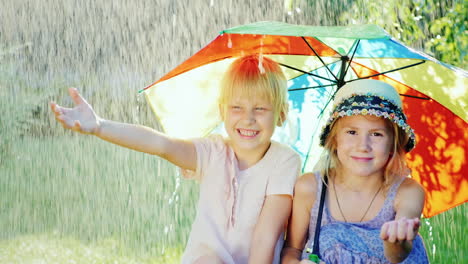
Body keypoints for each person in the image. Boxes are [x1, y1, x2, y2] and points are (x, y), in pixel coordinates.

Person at [51, 54, 301, 264]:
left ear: (280, 114)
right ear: (221, 110)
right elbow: (161, 144)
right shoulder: (212, 152)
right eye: (237, 107)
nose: (248, 118)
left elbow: (265, 237)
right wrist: (100, 126)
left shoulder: (283, 161)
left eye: (260, 109)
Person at [281, 79, 429, 264]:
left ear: (393, 143)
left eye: (376, 134)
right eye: (352, 132)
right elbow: (292, 249)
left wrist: (395, 243)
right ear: (334, 139)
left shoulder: (407, 192)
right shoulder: (310, 188)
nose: (363, 146)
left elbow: (397, 256)